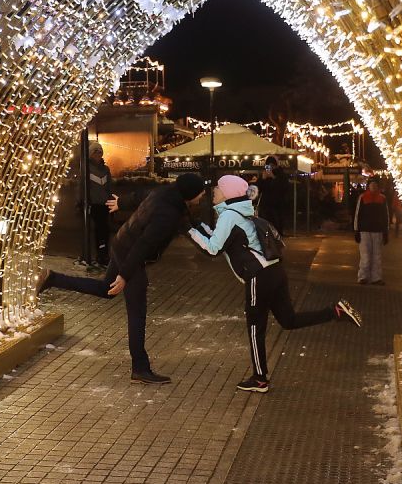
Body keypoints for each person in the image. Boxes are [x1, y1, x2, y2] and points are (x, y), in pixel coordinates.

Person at [189, 175, 362, 394]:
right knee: (288, 320)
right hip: (275, 271)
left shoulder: (229, 216)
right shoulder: (243, 211)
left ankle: (260, 379)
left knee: (255, 328)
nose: (214, 190)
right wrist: (197, 226)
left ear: (228, 193)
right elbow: (218, 239)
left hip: (258, 276)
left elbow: (212, 249)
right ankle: (335, 311)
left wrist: (188, 230)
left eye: (218, 187)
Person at [36, 173, 206, 384]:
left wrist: (121, 202)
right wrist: (124, 275)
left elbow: (141, 195)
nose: (202, 195)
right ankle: (140, 368)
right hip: (130, 251)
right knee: (137, 312)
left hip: (122, 242)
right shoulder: (168, 214)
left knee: (106, 290)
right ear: (189, 193)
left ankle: (53, 279)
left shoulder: (165, 193)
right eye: (200, 192)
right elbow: (143, 245)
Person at [353, 177, 390, 285]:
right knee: (366, 255)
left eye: (375, 184)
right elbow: (358, 214)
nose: (373, 186)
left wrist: (385, 231)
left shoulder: (382, 198)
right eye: (371, 184)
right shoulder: (363, 197)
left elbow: (386, 216)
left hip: (377, 231)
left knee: (376, 256)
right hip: (365, 230)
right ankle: (363, 277)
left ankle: (376, 278)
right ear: (368, 186)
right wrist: (356, 230)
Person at [87, 141, 114, 266]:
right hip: (94, 204)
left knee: (105, 230)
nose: (98, 154)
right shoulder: (87, 168)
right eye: (95, 152)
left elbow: (109, 187)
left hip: (104, 204)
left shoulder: (106, 169)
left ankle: (104, 254)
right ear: (91, 154)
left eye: (100, 152)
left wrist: (111, 201)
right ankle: (100, 254)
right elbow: (82, 187)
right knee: (99, 230)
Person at [257, 156, 290, 236]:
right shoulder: (264, 175)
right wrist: (263, 179)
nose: (270, 168)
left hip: (277, 205)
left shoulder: (281, 175)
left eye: (272, 166)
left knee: (276, 224)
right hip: (265, 205)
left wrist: (273, 177)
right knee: (265, 224)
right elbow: (259, 189)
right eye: (268, 166)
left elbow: (283, 188)